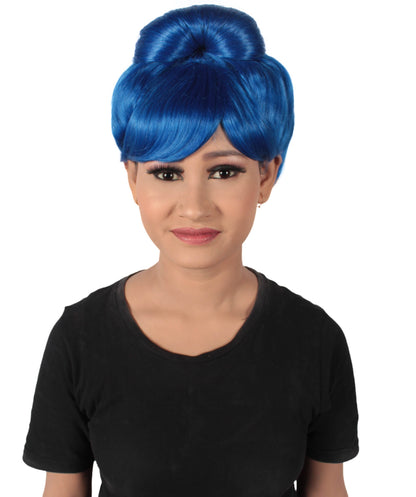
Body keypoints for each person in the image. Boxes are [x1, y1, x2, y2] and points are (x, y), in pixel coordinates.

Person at [22, 5, 359, 497]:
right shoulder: (79, 340)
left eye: (224, 171)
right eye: (167, 173)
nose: (195, 206)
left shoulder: (315, 340)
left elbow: (327, 490)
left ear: (266, 176)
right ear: (132, 179)